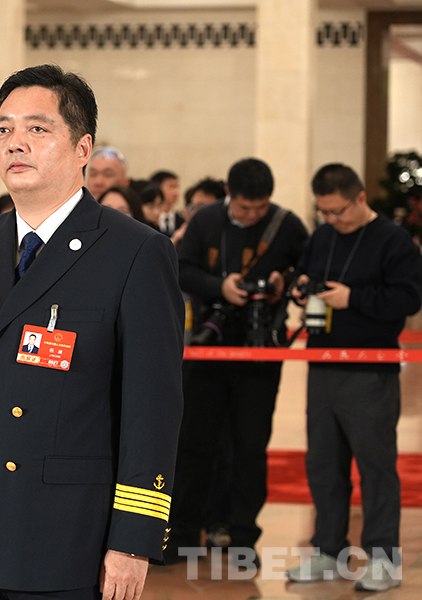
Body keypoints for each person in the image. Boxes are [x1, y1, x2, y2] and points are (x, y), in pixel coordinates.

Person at [0, 64, 184, 600]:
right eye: (3, 129)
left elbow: (152, 412)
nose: (15, 143)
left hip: (66, 537)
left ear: (82, 148)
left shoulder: (135, 252)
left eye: (37, 128)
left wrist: (133, 541)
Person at [285, 164, 422, 592]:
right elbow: (302, 271)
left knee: (375, 466)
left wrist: (353, 299)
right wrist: (299, 286)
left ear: (360, 198)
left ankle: (383, 558)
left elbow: (408, 299)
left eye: (338, 211)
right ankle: (329, 550)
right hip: (322, 363)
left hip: (369, 369)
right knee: (323, 464)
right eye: (323, 212)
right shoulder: (323, 236)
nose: (332, 219)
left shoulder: (394, 241)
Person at [166, 157, 308, 566]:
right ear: (230, 194)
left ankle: (243, 536)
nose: (253, 214)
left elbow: (307, 272)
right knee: (195, 446)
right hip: (206, 347)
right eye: (246, 207)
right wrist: (219, 287)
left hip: (260, 353)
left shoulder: (287, 225)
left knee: (250, 448)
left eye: (261, 207)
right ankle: (184, 535)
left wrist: (284, 282)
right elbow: (180, 268)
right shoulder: (206, 220)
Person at [151, 170, 183, 237]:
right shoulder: (149, 219)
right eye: (171, 187)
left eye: (177, 187)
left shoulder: (181, 220)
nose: (176, 192)